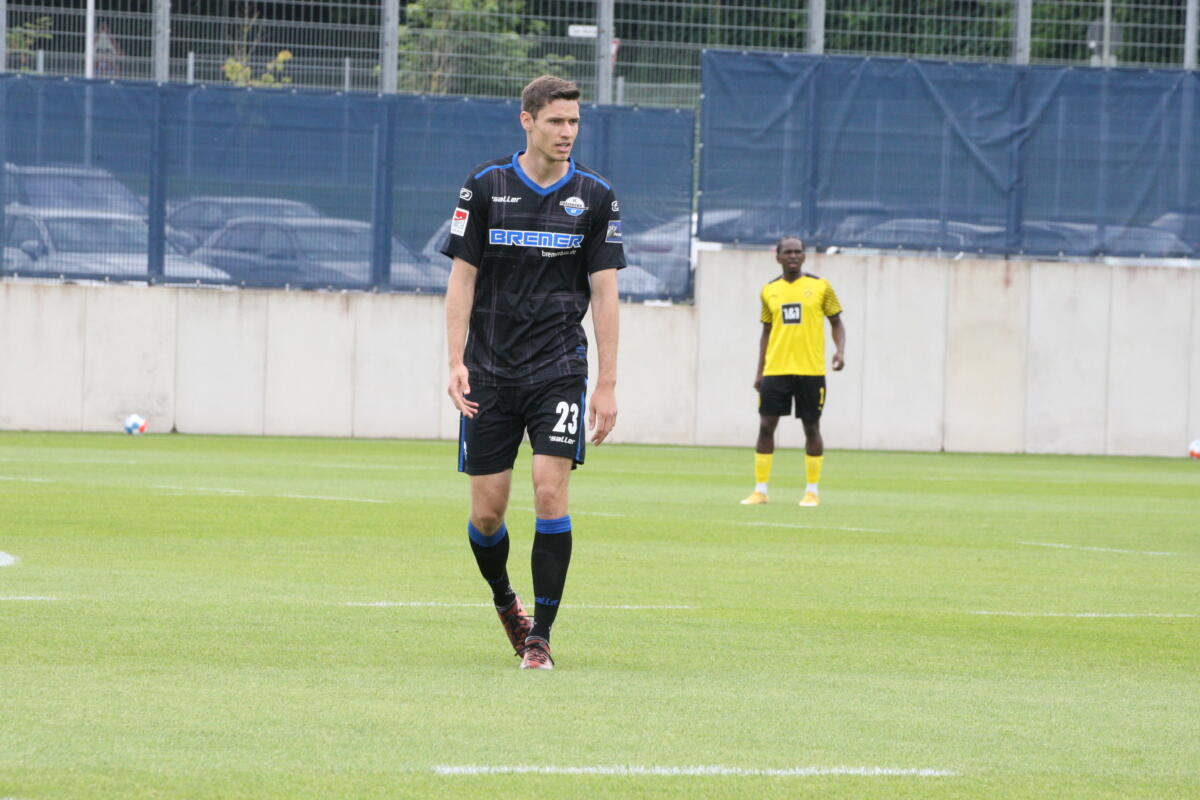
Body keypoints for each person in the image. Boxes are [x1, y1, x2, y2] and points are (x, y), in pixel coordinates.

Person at [441, 75, 624, 670]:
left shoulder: (595, 197)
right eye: (555, 121)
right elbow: (461, 279)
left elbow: (605, 293)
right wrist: (454, 361)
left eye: (574, 122)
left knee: (551, 492)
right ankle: (505, 601)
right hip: (490, 372)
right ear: (527, 120)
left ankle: (540, 637)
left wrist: (607, 382)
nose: (567, 132)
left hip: (558, 369)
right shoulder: (486, 186)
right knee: (487, 513)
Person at [741, 236, 845, 507]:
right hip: (776, 370)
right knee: (766, 426)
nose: (793, 256)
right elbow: (765, 332)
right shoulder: (769, 290)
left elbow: (837, 322)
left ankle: (812, 491)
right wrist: (759, 371)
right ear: (777, 257)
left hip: (811, 371)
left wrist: (839, 351)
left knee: (811, 427)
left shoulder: (820, 287)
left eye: (798, 251)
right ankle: (760, 490)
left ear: (805, 256)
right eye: (787, 252)